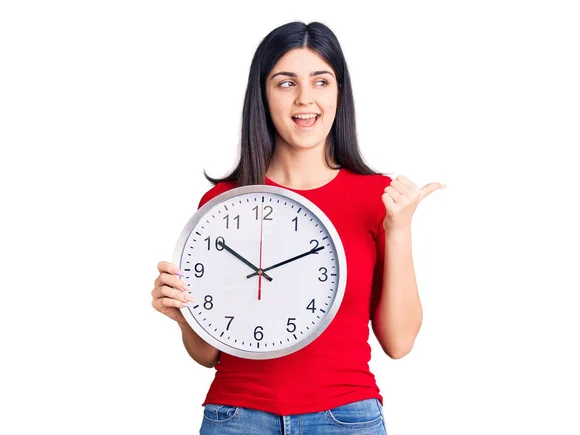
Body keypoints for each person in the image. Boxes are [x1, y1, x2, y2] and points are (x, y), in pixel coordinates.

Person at [151, 21, 445, 435]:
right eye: (286, 83)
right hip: (237, 417)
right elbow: (209, 353)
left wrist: (399, 230)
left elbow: (399, 343)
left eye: (321, 81)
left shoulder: (380, 198)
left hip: (346, 418)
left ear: (339, 93)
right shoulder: (224, 203)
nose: (305, 99)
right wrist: (185, 316)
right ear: (264, 96)